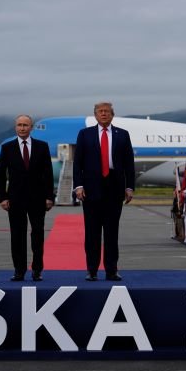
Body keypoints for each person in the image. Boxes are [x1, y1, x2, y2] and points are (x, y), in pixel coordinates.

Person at [73, 101, 135, 281]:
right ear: (95, 115)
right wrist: (79, 186)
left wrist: (129, 187)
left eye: (107, 111)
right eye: (100, 111)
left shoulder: (122, 134)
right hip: (91, 188)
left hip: (114, 188)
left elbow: (129, 163)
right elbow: (78, 163)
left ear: (112, 115)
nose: (104, 114)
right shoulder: (85, 134)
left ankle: (111, 270)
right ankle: (92, 270)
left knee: (111, 233)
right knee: (92, 233)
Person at [0, 114, 55, 281]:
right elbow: (0, 175)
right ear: (16, 127)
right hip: (15, 199)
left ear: (31, 127)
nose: (22, 128)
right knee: (17, 236)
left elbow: (48, 174)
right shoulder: (7, 148)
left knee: (37, 235)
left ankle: (37, 270)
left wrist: (49, 197)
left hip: (38, 199)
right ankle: (19, 271)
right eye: (19, 125)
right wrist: (2, 197)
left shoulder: (42, 146)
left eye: (25, 125)